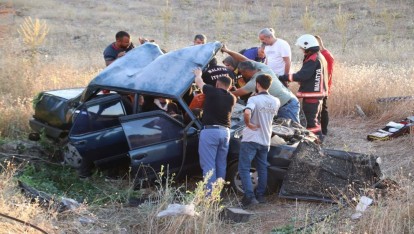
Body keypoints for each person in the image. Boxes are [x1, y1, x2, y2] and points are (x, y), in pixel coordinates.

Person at [221, 44, 300, 124]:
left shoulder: (255, 82)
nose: (242, 75)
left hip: (287, 106)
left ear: (246, 71)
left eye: (241, 73)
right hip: (287, 101)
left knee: (294, 131)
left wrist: (219, 94)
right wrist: (227, 51)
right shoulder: (262, 67)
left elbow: (236, 93)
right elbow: (243, 59)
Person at [239, 74, 280, 207]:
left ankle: (249, 197)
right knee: (262, 168)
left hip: (251, 138)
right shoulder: (276, 101)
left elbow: (247, 112)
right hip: (265, 139)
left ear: (257, 84)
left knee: (244, 168)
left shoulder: (254, 100)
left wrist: (249, 124)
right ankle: (261, 195)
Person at [193, 67, 236, 193]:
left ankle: (210, 195)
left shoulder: (212, 91)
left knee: (208, 164)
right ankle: (218, 192)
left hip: (210, 132)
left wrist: (198, 74)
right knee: (221, 163)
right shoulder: (232, 98)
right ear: (229, 86)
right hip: (225, 132)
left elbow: (199, 83)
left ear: (217, 84)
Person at [279, 34, 328, 136]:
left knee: (311, 122)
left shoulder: (313, 58)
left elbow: (303, 75)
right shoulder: (318, 56)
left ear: (307, 46)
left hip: (312, 94)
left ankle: (315, 143)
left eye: (302, 48)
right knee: (315, 120)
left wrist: (283, 77)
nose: (301, 50)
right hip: (316, 94)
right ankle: (318, 139)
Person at [315, 35, 334, 136]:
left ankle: (324, 130)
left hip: (323, 86)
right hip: (320, 86)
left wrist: (324, 87)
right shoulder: (319, 54)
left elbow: (328, 73)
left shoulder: (325, 55)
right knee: (319, 109)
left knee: (323, 109)